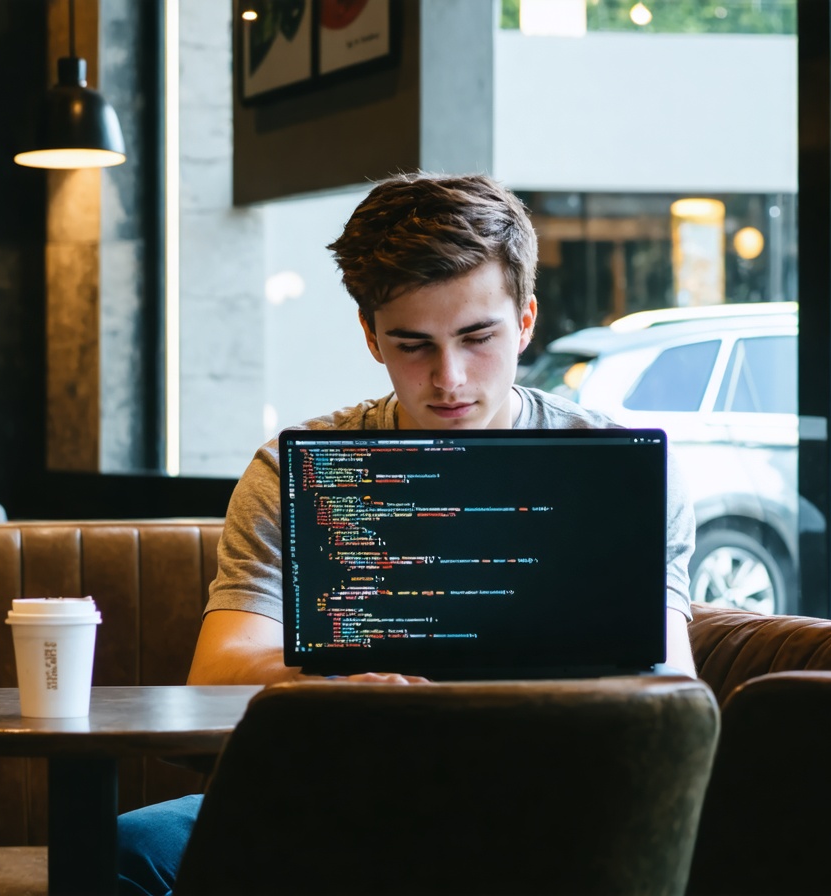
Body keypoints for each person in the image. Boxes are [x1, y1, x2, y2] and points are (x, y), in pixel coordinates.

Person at [116, 172, 697, 896]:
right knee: (123, 852)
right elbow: (219, 667)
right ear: (370, 335)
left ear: (525, 321)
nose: (448, 379)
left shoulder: (622, 470)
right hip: (341, 798)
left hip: (549, 802)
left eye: (477, 337)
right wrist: (339, 681)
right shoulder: (298, 469)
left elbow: (673, 687)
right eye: (412, 345)